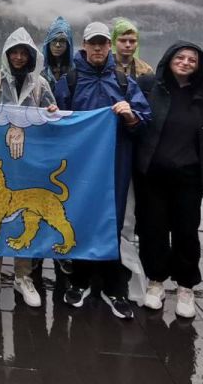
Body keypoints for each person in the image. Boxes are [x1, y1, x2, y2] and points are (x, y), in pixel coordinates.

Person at [52, 22, 152, 320]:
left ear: (109, 46)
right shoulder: (69, 81)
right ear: (84, 46)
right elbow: (54, 122)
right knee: (80, 220)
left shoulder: (124, 82)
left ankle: (115, 287)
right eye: (93, 44)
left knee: (114, 224)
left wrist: (130, 116)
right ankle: (80, 281)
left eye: (103, 43)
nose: (98, 48)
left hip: (115, 167)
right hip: (80, 167)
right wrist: (53, 116)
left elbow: (145, 120)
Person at [0, 28, 58, 308]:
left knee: (27, 217)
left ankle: (24, 276)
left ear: (32, 56)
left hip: (29, 163)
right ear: (7, 54)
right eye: (15, 52)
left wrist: (53, 113)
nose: (19, 57)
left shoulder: (40, 86)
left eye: (24, 53)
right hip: (0, 164)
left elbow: (52, 120)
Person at [134, 41, 203, 319]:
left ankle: (185, 286)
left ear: (199, 65)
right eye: (180, 57)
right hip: (152, 175)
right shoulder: (150, 86)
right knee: (151, 230)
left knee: (186, 233)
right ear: (169, 59)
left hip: (188, 178)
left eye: (192, 59)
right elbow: (134, 117)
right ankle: (155, 282)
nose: (185, 62)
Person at [110, 18, 155, 91]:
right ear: (114, 42)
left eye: (132, 41)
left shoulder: (145, 70)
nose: (127, 45)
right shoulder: (104, 66)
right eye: (122, 40)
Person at [41, 16, 75, 90]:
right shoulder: (39, 69)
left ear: (68, 44)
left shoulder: (75, 71)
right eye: (54, 40)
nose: (57, 45)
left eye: (62, 41)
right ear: (48, 43)